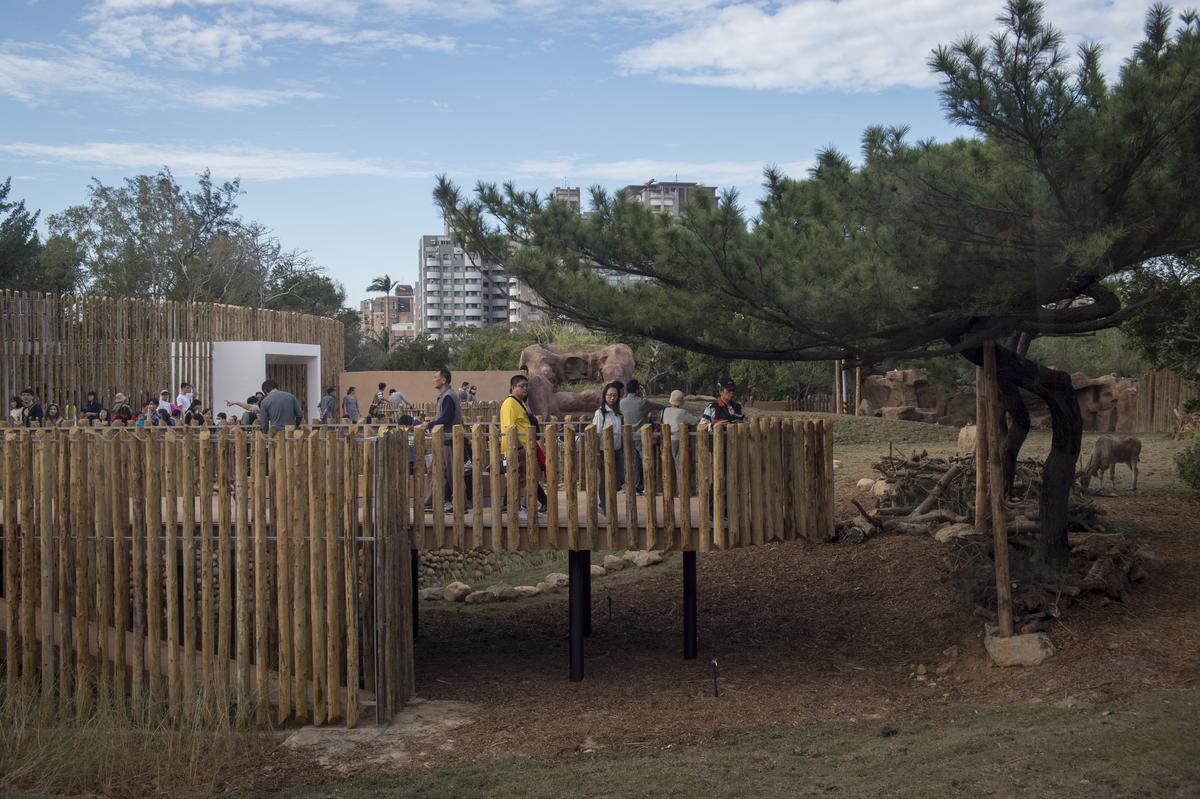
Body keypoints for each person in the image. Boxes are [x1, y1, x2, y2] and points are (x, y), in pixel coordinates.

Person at [499, 373, 547, 516]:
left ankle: (522, 507)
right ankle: (516, 508)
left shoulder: (519, 403)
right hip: (517, 448)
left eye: (527, 386)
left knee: (529, 477)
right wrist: (513, 450)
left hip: (526, 447)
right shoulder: (509, 404)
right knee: (519, 478)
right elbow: (510, 427)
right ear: (513, 387)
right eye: (522, 386)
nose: (525, 389)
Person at [424, 368, 463, 509]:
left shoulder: (448, 396)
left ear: (444, 380)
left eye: (436, 377)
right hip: (444, 441)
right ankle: (434, 502)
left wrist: (428, 424)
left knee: (452, 475)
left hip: (448, 441)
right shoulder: (446, 396)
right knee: (437, 471)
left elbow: (446, 419)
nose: (433, 379)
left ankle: (459, 504)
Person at [618, 378, 665, 493]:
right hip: (641, 436)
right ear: (637, 389)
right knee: (646, 460)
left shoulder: (622, 402)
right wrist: (668, 407)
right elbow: (658, 406)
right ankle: (648, 486)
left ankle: (636, 485)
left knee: (632, 462)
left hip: (627, 436)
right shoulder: (642, 402)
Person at [592, 381, 625, 516]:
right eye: (610, 395)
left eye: (615, 395)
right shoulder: (600, 413)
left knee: (620, 478)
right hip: (603, 451)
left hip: (616, 450)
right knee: (605, 479)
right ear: (604, 396)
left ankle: (604, 503)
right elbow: (596, 433)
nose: (612, 398)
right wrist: (596, 453)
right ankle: (604, 506)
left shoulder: (617, 413)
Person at [662, 389, 702, 464]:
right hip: (677, 439)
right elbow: (694, 421)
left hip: (665, 438)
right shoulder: (682, 412)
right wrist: (700, 417)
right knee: (679, 462)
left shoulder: (664, 410)